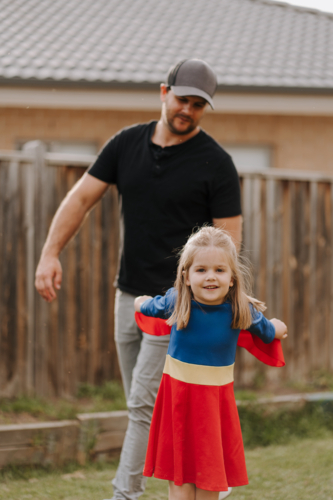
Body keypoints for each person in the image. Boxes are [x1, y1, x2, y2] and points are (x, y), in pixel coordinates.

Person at [35, 59, 242, 500]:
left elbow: (229, 245)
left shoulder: (216, 163)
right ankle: (199, 477)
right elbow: (82, 197)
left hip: (179, 309)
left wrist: (220, 304)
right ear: (163, 91)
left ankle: (125, 493)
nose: (188, 109)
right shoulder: (126, 144)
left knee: (142, 405)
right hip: (129, 297)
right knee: (148, 407)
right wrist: (50, 253)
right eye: (183, 98)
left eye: (199, 104)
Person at [134, 227, 288, 500]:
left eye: (219, 270)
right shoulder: (176, 300)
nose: (210, 277)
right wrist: (140, 302)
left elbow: (266, 331)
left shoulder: (242, 310)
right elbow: (150, 307)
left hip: (213, 406)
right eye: (201, 270)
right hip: (177, 402)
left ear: (232, 279)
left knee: (208, 483)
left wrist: (277, 327)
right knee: (179, 484)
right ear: (186, 276)